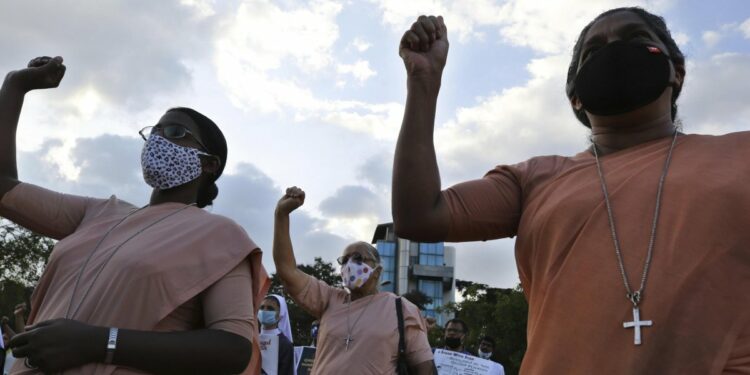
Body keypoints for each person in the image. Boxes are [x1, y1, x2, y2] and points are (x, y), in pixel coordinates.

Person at [393, 8, 750, 374]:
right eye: (592, 51)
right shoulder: (534, 179)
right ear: (575, 96)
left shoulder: (741, 154)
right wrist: (424, 83)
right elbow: (420, 214)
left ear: (677, 72)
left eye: (636, 38)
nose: (614, 49)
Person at [0, 56, 270, 374]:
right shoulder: (99, 211)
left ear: (209, 164)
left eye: (173, 131)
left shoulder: (222, 237)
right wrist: (15, 86)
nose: (157, 138)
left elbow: (232, 349)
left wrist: (98, 342)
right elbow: (4, 188)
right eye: (153, 130)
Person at [273, 186, 435, 374]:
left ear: (377, 270)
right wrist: (281, 215)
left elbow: (425, 368)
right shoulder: (329, 299)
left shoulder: (401, 309)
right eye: (345, 260)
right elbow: (287, 271)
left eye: (358, 258)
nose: (350, 264)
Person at [258, 295, 294, 375]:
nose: (264, 311)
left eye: (270, 308)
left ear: (280, 314)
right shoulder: (252, 337)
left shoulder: (285, 344)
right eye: (262, 307)